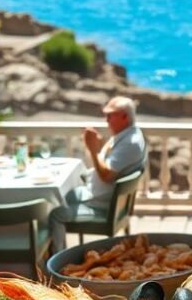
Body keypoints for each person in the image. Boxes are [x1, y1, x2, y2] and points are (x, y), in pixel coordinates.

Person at [50, 96, 147, 251]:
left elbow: (106, 175)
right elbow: (109, 165)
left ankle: (55, 260)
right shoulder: (126, 135)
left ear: (124, 117)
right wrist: (98, 147)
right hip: (99, 195)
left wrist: (92, 149)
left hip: (102, 206)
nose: (106, 120)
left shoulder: (130, 143)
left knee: (54, 213)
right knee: (57, 198)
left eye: (110, 115)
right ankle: (58, 252)